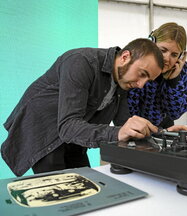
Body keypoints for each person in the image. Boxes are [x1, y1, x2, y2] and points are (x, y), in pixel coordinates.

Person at [1, 38, 166, 177]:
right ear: (125, 57)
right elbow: (68, 127)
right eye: (142, 74)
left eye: (147, 80)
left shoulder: (125, 80)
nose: (141, 84)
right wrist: (117, 133)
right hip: (45, 128)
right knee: (60, 193)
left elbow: (124, 123)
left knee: (86, 181)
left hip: (73, 132)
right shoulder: (81, 62)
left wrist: (162, 132)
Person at [128, 22, 187, 129]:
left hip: (165, 131)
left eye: (174, 54)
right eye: (163, 50)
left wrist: (173, 81)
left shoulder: (182, 69)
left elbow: (175, 113)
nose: (167, 58)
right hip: (134, 129)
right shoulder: (137, 65)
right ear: (152, 44)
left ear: (181, 56)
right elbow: (129, 110)